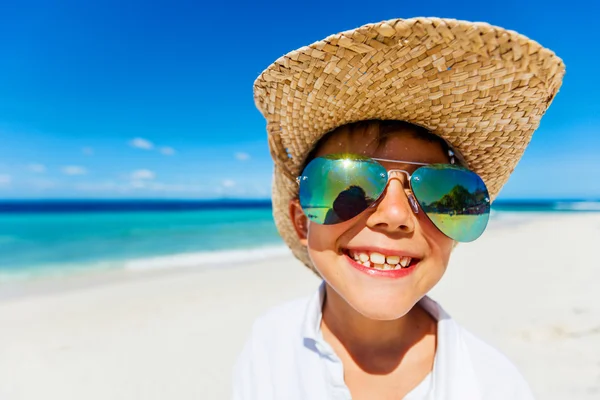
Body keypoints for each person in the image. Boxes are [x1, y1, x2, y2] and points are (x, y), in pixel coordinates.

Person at [233, 17, 564, 399]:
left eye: (440, 194)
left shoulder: (496, 385)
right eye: (347, 183)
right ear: (301, 223)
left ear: (453, 229)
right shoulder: (267, 345)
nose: (394, 216)